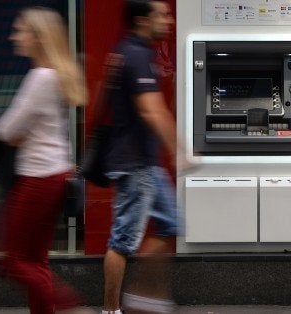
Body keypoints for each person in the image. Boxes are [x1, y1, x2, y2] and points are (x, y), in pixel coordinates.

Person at [0, 7, 90, 314]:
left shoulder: (39, 78)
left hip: (37, 178)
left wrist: (12, 133)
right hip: (56, 174)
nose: (14, 36)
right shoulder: (55, 76)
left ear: (37, 37)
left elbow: (6, 130)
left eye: (20, 30)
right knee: (36, 259)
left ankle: (70, 305)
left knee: (13, 261)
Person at [101, 1, 188, 313]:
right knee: (123, 240)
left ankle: (143, 296)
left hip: (144, 161)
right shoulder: (135, 54)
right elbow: (152, 109)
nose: (168, 20)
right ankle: (111, 309)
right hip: (135, 163)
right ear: (141, 20)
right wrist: (180, 150)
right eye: (161, 14)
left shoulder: (131, 52)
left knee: (171, 225)